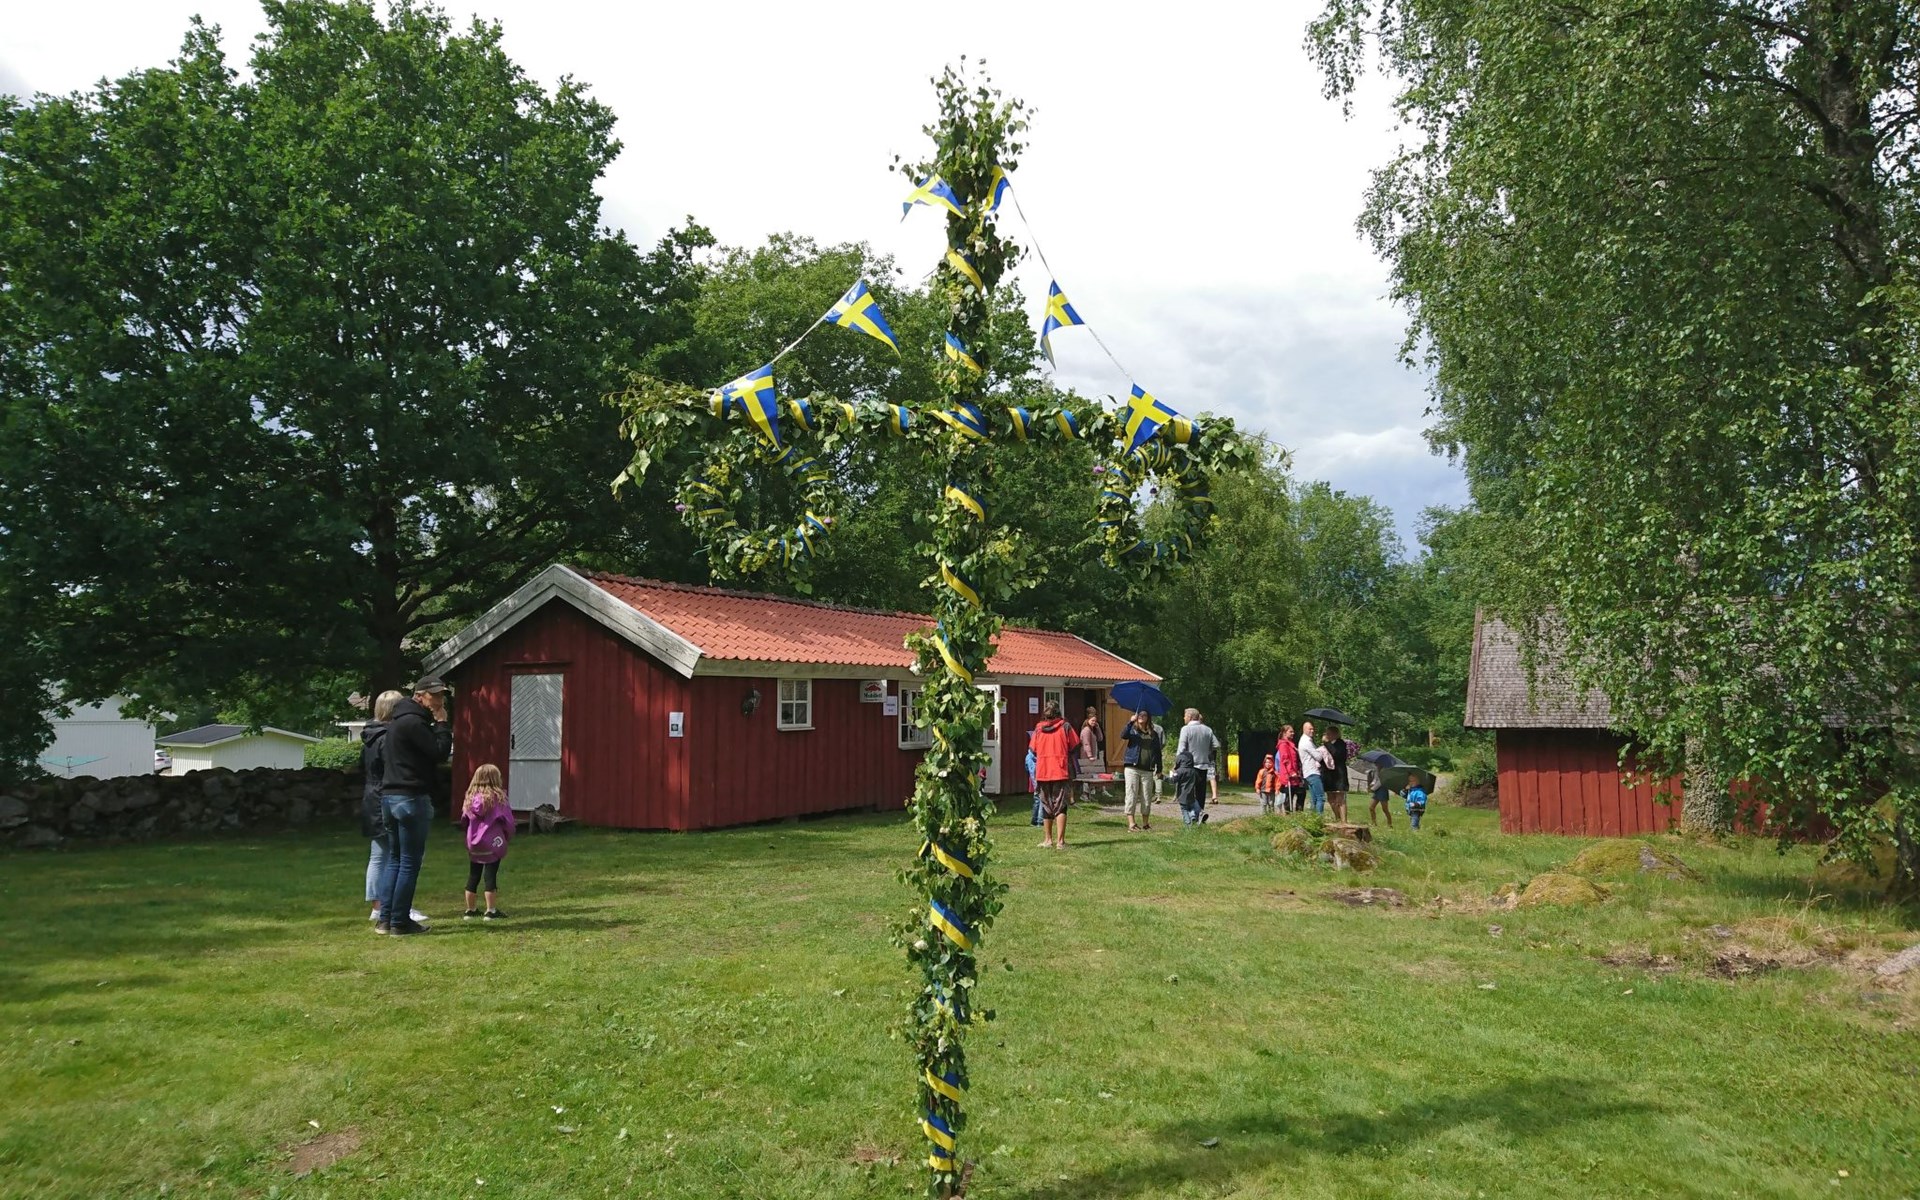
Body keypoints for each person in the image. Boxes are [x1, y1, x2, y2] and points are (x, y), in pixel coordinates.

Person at [375, 675, 453, 935]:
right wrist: (442, 723)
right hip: (410, 797)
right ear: (419, 696)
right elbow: (439, 752)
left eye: (442, 694)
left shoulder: (398, 721)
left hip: (390, 796)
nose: (440, 700)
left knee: (395, 859)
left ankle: (385, 920)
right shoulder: (414, 723)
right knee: (409, 862)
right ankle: (399, 922)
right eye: (435, 695)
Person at [361, 691, 430, 928]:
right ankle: (395, 909)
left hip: (373, 796)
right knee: (400, 857)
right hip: (390, 795)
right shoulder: (389, 736)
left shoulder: (370, 734)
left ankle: (380, 908)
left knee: (381, 855)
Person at [461, 764, 514, 920]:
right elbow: (508, 822)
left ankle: (470, 910)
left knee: (473, 875)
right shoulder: (498, 798)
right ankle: (491, 910)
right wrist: (507, 835)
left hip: (474, 844)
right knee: (490, 876)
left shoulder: (469, 798)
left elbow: (464, 820)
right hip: (492, 843)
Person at [1030, 701, 1080, 850]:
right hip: (1060, 770)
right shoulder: (1066, 726)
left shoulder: (1038, 729)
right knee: (1061, 806)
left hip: (1043, 771)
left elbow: (1032, 750)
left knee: (1046, 804)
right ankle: (1060, 842)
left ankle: (1047, 840)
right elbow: (1075, 745)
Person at [1121, 710, 1163, 832]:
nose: (1141, 717)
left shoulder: (1153, 734)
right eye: (1139, 715)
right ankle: (1132, 824)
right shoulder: (1132, 731)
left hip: (1147, 769)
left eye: (1144, 715)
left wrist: (1159, 769)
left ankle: (1145, 824)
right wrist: (1130, 722)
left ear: (1148, 718)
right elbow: (1123, 735)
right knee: (1131, 795)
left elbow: (1158, 752)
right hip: (1132, 768)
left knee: (1146, 796)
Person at [1176, 708, 1220, 815]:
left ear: (1190, 717)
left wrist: (1177, 764)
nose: (1184, 718)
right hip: (1204, 765)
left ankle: (1193, 814)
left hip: (1189, 766)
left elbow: (1181, 749)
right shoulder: (1207, 730)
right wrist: (1207, 750)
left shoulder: (1186, 729)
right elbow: (1216, 745)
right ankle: (1200, 813)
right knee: (1201, 792)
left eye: (1185, 716)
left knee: (1188, 791)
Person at [1297, 721, 1330, 816]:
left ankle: (1312, 818)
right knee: (1321, 797)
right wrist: (1324, 750)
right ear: (1304, 729)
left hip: (1308, 772)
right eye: (1310, 729)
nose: (1312, 730)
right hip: (1312, 772)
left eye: (1313, 729)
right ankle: (1319, 818)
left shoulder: (1307, 741)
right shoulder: (1306, 742)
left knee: (1314, 798)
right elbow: (1318, 757)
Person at [1077, 706, 1104, 805]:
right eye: (1092, 720)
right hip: (1087, 756)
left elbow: (1100, 738)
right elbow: (1086, 743)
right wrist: (1089, 756)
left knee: (1093, 774)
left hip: (1093, 754)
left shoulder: (1092, 730)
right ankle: (1085, 794)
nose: (1094, 722)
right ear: (1088, 720)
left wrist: (1098, 727)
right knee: (1087, 774)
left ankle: (1090, 794)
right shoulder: (1086, 730)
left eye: (1095, 721)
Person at [1171, 748, 1206, 826]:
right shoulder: (1194, 771)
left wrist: (1163, 777)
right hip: (1191, 796)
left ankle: (1188, 824)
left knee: (1185, 810)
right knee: (1193, 806)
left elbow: (1172, 780)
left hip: (1182, 796)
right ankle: (1195, 815)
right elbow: (1198, 780)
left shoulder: (1179, 771)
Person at [1324, 723, 1351, 823]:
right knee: (1331, 799)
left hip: (1339, 775)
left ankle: (1344, 821)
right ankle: (1337, 818)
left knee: (1340, 799)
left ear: (1334, 734)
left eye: (1328, 734)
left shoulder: (1341, 744)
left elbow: (1336, 754)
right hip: (1329, 776)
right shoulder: (1326, 745)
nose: (1326, 736)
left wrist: (1327, 743)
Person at [1275, 724, 1302, 814]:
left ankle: (1298, 814)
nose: (1293, 733)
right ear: (1284, 733)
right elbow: (1285, 759)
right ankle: (1288, 815)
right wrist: (1291, 772)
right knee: (1289, 796)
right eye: (1290, 731)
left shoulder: (1291, 744)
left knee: (1300, 793)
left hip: (1295, 774)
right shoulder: (1283, 744)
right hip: (1288, 775)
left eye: (1293, 731)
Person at [1363, 759, 1395, 828]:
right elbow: (1375, 779)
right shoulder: (1376, 770)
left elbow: (1381, 782)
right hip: (1376, 790)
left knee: (1385, 809)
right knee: (1371, 807)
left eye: (1377, 763)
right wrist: (1371, 784)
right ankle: (1374, 823)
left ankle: (1390, 824)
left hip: (1382, 790)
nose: (1375, 764)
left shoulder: (1385, 771)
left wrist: (1372, 788)